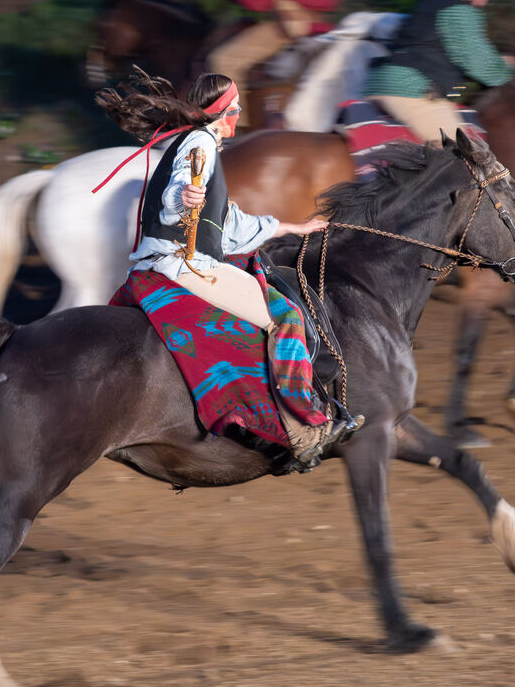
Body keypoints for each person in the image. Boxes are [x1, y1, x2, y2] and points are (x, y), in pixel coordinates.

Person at [95, 70, 357, 466]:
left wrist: (290, 226)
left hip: (180, 257)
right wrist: (184, 196)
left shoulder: (196, 142)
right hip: (183, 263)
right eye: (233, 109)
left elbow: (227, 222)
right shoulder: (200, 142)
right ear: (219, 112)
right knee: (285, 317)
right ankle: (305, 428)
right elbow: (179, 195)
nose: (236, 116)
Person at [362, 0, 515, 143]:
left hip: (381, 83)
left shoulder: (432, 2)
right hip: (413, 91)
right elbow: (475, 61)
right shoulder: (460, 11)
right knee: (463, 156)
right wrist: (506, 69)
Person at [206, 0, 347, 123]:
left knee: (223, 61)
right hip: (325, 29)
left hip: (289, 28)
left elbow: (256, 0)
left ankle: (233, 130)